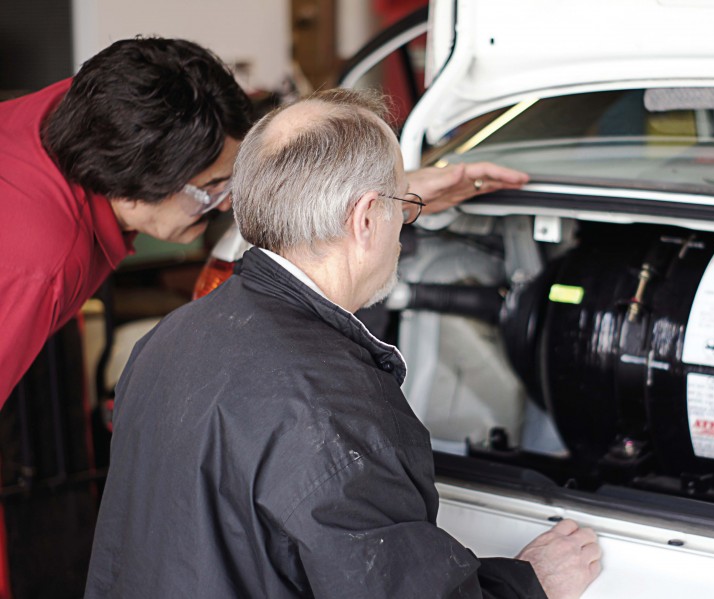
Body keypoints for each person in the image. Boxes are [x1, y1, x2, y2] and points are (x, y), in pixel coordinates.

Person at [84, 89, 601, 598]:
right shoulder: (339, 412)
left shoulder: (169, 337)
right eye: (406, 203)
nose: (405, 227)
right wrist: (531, 585)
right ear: (367, 218)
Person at [0, 36, 528, 404]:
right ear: (131, 185)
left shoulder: (85, 111)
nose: (228, 204)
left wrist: (391, 193)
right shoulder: (40, 262)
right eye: (209, 188)